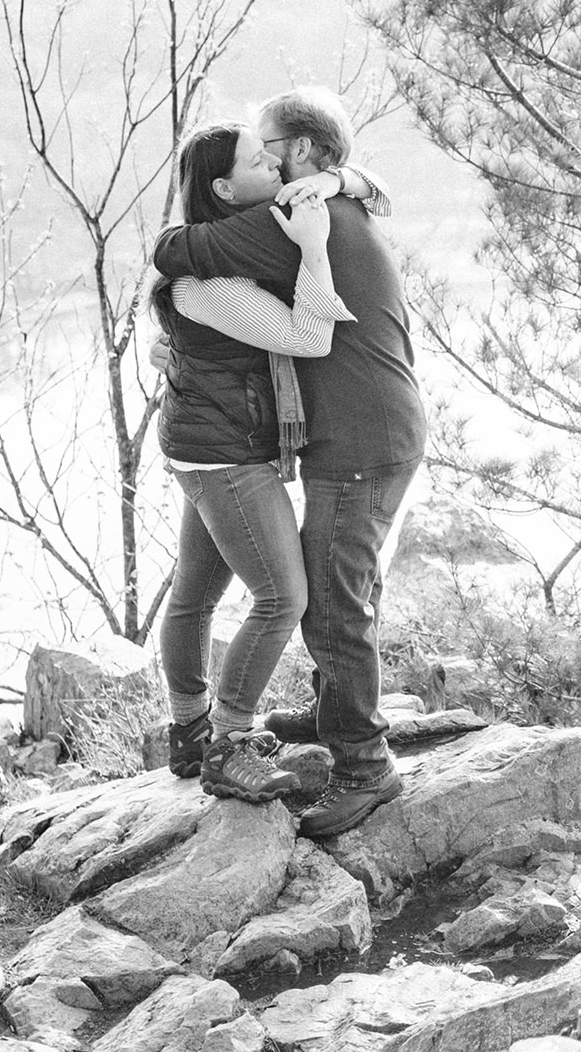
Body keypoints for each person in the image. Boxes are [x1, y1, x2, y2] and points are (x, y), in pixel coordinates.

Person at [152, 86, 426, 839]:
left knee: (330, 602)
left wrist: (170, 255)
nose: (264, 156)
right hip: (371, 428)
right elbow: (192, 262)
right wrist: (349, 179)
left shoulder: (291, 222)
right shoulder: (332, 205)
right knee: (327, 588)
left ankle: (364, 765)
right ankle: (333, 715)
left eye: (267, 144)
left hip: (361, 439)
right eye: (253, 154)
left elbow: (184, 249)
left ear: (302, 153)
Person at [152, 120, 359, 802]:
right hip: (227, 457)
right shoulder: (210, 283)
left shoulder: (214, 255)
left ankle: (187, 731)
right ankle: (228, 745)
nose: (271, 163)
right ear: (222, 186)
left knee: (195, 594)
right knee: (282, 596)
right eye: (255, 160)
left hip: (203, 445)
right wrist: (314, 247)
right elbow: (309, 335)